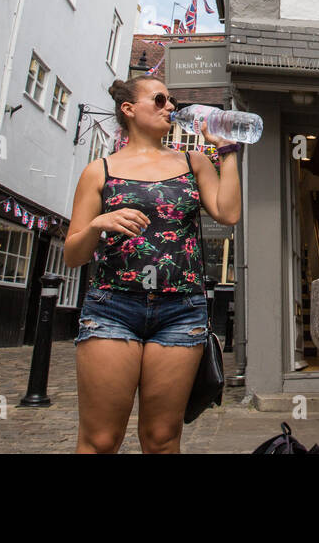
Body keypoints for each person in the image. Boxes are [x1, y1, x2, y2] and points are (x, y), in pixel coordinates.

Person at [64, 76, 242, 453]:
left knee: (162, 439)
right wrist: (98, 224)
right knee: (100, 440)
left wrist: (226, 150)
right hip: (112, 308)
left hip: (181, 310)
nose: (170, 107)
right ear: (128, 109)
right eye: (159, 99)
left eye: (172, 101)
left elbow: (228, 213)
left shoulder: (193, 162)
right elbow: (74, 254)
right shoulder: (100, 171)